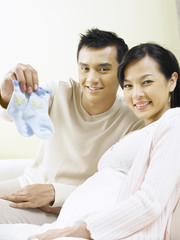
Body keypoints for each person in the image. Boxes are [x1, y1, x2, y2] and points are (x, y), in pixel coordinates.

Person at [0, 42, 179, 240]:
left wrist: (81, 229)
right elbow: (19, 113)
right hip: (65, 215)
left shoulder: (168, 122)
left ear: (172, 81)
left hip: (74, 220)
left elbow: (149, 201)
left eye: (146, 82)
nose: (136, 94)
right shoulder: (144, 130)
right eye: (128, 85)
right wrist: (8, 94)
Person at [0, 28, 143, 225]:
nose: (92, 79)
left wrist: (56, 192)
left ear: (122, 72)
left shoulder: (133, 121)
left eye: (103, 69)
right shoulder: (58, 91)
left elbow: (121, 187)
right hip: (25, 186)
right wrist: (7, 93)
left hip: (70, 207)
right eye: (85, 68)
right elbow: (14, 114)